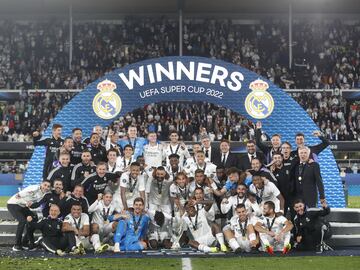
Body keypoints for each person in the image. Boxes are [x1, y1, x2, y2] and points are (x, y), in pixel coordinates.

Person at [7, 180, 51, 251]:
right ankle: (17, 245)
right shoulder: (34, 188)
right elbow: (19, 195)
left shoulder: (43, 194)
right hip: (13, 204)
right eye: (45, 185)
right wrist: (26, 203)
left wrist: (30, 205)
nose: (46, 187)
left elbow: (34, 204)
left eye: (48, 186)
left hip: (23, 206)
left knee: (35, 219)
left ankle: (25, 243)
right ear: (41, 184)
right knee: (22, 221)